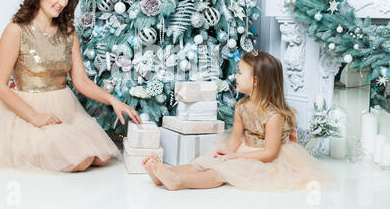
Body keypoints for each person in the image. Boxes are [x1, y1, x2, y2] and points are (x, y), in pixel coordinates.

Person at [0, 0, 141, 173]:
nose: (62, 2)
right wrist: (35, 117)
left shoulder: (68, 33)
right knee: (79, 161)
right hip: (28, 110)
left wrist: (113, 101)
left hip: (64, 108)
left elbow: (81, 81)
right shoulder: (16, 30)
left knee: (100, 157)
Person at [142, 51, 339, 191]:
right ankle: (165, 173)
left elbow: (270, 153)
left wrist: (236, 158)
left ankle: (177, 180)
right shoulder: (242, 106)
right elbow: (236, 137)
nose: (235, 76)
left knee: (221, 174)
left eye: (239, 72)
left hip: (266, 157)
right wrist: (229, 151)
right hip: (246, 148)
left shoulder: (273, 115)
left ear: (256, 81)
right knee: (208, 161)